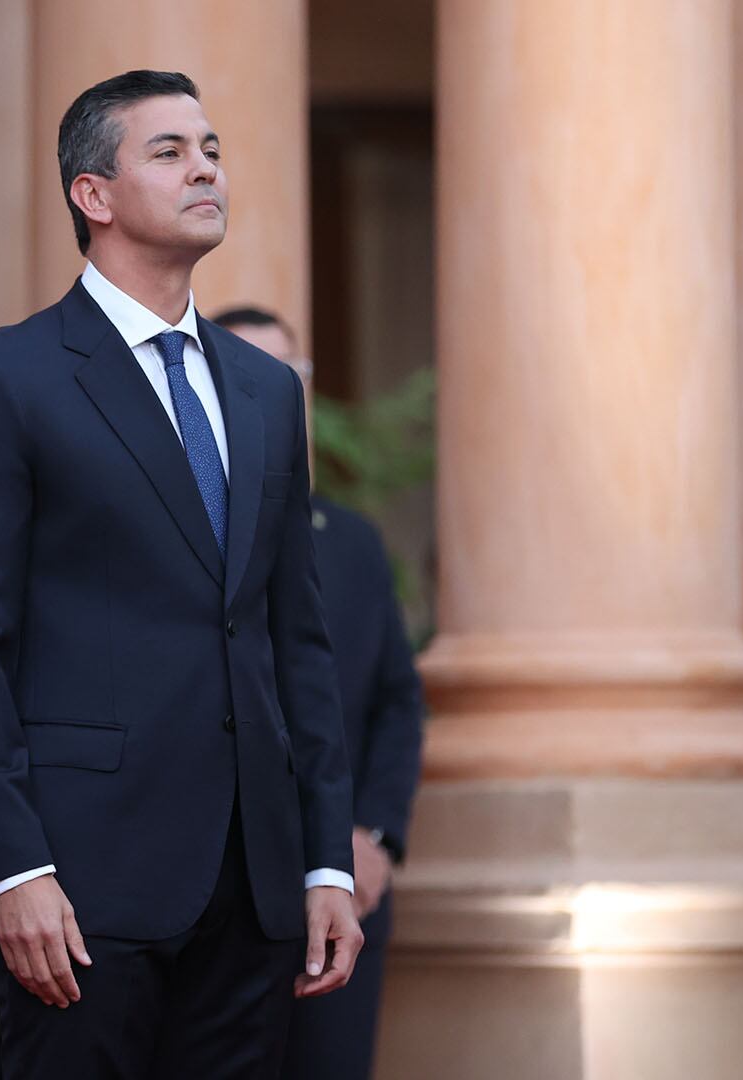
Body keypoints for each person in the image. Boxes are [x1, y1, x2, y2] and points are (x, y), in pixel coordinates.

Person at [0, 70, 365, 1078]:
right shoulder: (5, 380)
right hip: (80, 882)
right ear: (94, 194)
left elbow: (298, 636)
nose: (204, 167)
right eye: (168, 151)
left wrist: (325, 857)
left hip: (254, 882)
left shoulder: (258, 389)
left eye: (209, 149)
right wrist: (8, 865)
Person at [212, 306, 425, 1080]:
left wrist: (374, 835)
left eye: (290, 377)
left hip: (345, 883)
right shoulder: (179, 531)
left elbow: (397, 700)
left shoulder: (355, 541)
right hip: (217, 887)